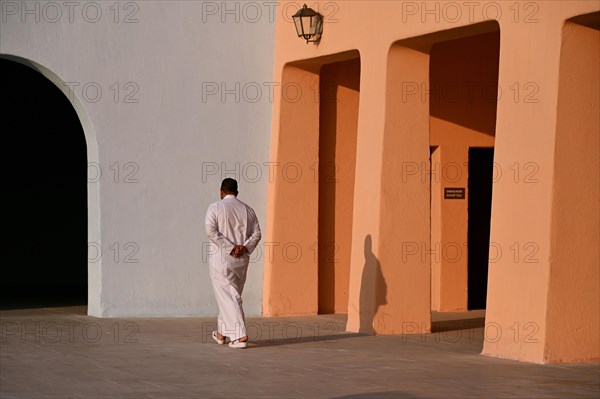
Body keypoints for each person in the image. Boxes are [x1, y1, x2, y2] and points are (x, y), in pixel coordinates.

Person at [205, 178, 261, 349]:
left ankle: (239, 335)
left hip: (221, 259)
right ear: (237, 192)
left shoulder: (215, 207)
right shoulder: (248, 210)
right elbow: (257, 234)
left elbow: (210, 231)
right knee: (231, 294)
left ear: (221, 191)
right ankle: (222, 333)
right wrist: (243, 247)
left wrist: (230, 247)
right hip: (242, 260)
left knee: (228, 296)